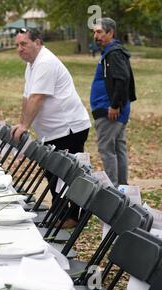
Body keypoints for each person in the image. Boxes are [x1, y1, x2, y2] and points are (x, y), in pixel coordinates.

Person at [11, 28, 91, 229]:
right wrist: (22, 123)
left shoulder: (45, 62)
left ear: (37, 42)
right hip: (54, 131)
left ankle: (71, 217)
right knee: (52, 173)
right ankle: (59, 213)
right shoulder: (32, 65)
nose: (19, 49)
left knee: (65, 174)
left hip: (69, 128)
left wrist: (25, 126)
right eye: (17, 45)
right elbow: (27, 98)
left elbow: (38, 98)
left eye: (24, 44)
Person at [91, 18, 136, 187]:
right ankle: (122, 188)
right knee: (118, 149)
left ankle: (114, 189)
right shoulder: (111, 52)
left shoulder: (114, 53)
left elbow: (122, 79)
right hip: (112, 110)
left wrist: (115, 105)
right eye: (94, 32)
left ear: (111, 33)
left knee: (107, 150)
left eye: (100, 32)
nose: (96, 36)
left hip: (110, 111)